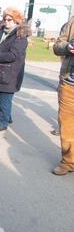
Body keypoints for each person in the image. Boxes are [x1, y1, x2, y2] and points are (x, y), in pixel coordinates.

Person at [0, 7, 30, 132]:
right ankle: (7, 116)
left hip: (11, 73)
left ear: (16, 21)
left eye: (9, 19)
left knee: (5, 99)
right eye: (5, 19)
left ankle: (3, 123)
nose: (6, 21)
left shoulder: (20, 36)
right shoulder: (1, 31)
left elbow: (13, 55)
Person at [52, 16, 74, 175]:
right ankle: (68, 161)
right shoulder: (72, 22)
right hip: (69, 83)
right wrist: (67, 47)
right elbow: (57, 46)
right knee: (66, 127)